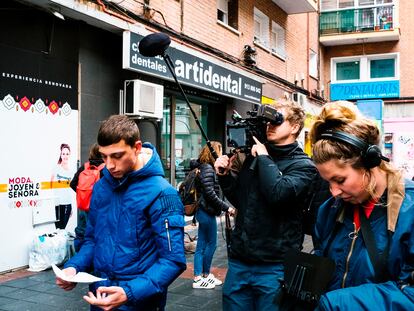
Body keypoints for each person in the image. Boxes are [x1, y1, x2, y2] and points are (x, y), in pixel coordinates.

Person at [56, 115, 186, 311]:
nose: (109, 165)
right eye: (104, 156)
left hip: (140, 302)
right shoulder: (101, 187)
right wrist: (74, 267)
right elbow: (92, 240)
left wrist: (130, 292)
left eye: (117, 156)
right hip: (100, 296)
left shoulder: (163, 193)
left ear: (137, 147)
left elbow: (172, 260)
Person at [309, 101, 414, 310]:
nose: (334, 192)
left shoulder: (409, 211)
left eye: (340, 180)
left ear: (370, 162)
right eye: (327, 182)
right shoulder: (328, 211)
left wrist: (339, 303)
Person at [214, 99, 318, 310]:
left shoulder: (304, 166)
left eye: (276, 121)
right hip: (240, 262)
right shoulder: (255, 156)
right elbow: (242, 201)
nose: (269, 126)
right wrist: (224, 177)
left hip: (274, 266)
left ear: (295, 126)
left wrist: (264, 158)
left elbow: (278, 194)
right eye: (267, 122)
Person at [192, 141, 235, 289]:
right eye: (220, 150)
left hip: (203, 210)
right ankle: (200, 276)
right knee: (211, 244)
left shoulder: (204, 168)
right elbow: (210, 193)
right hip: (206, 211)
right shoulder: (208, 169)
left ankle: (203, 275)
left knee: (202, 245)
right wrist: (226, 208)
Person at [69, 143, 104, 252]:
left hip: (83, 207)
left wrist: (84, 194)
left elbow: (72, 183)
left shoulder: (84, 167)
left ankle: (78, 255)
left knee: (81, 233)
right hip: (99, 207)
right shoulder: (105, 169)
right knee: (96, 234)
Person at [51, 143, 75, 230]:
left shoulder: (71, 171)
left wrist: (71, 206)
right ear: (61, 155)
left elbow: (70, 190)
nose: (65, 156)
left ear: (69, 155)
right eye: (63, 154)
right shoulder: (56, 168)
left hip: (67, 204)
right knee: (58, 229)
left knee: (62, 229)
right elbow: (51, 185)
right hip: (58, 203)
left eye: (67, 154)